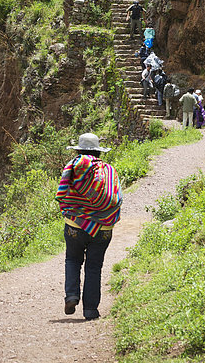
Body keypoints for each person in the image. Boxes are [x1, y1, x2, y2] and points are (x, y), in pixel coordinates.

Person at [55, 133, 122, 321]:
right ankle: (91, 310)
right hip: (103, 228)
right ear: (99, 152)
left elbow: (64, 193)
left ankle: (72, 296)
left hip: (75, 225)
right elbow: (116, 197)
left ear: (78, 150)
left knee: (73, 260)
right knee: (94, 266)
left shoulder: (73, 168)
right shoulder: (109, 170)